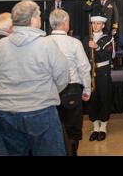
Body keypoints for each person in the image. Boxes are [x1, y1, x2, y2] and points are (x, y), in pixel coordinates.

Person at [0, 0, 69, 156]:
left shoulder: (1, 45)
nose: (40, 18)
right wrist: (48, 92)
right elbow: (63, 77)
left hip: (6, 114)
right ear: (33, 19)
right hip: (40, 112)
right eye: (39, 15)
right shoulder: (47, 45)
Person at [48, 9, 91, 155]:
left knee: (53, 129)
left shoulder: (42, 42)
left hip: (48, 91)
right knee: (72, 130)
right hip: (71, 90)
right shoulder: (74, 43)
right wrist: (87, 90)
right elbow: (84, 67)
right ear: (65, 23)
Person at [83, 13, 113, 142]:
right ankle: (95, 127)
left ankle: (103, 127)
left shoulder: (108, 39)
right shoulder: (86, 39)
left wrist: (97, 47)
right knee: (92, 99)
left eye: (98, 24)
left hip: (103, 72)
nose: (95, 26)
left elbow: (109, 55)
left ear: (103, 25)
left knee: (104, 97)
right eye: (93, 23)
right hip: (89, 72)